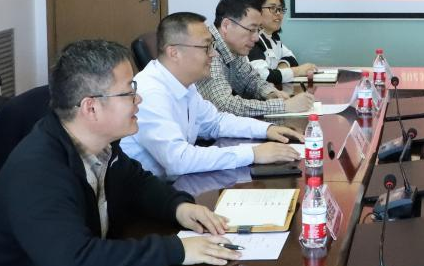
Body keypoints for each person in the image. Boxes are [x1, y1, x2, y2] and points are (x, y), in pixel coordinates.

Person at [0, 39, 243, 266]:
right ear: (91, 107)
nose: (139, 99)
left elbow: (136, 182)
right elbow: (76, 263)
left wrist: (179, 207)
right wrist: (176, 249)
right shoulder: (38, 172)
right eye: (129, 91)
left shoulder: (99, 145)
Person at [121, 12, 303, 178]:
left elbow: (216, 122)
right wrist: (252, 154)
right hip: (147, 197)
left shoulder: (184, 83)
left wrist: (266, 129)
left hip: (174, 185)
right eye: (206, 47)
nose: (214, 54)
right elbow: (178, 160)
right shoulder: (150, 93)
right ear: (174, 53)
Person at [198, 0, 314, 117]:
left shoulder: (234, 47)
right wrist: (284, 106)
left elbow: (251, 80)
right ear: (226, 25)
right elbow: (224, 105)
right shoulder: (208, 48)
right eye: (252, 29)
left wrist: (271, 93)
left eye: (258, 30)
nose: (256, 38)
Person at [248, 0, 317, 86]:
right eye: (272, 8)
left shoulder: (273, 37)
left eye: (280, 9)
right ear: (256, 11)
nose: (278, 13)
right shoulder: (252, 40)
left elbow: (291, 58)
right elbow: (264, 76)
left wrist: (281, 67)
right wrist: (297, 71)